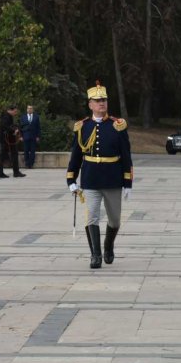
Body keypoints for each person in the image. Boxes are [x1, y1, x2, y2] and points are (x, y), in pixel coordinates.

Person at [67, 82, 134, 269]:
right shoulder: (82, 127)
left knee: (114, 220)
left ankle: (108, 245)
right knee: (91, 217)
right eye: (97, 101)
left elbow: (126, 155)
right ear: (90, 104)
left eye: (103, 100)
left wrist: (128, 182)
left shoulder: (117, 125)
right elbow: (76, 155)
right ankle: (95, 255)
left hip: (112, 179)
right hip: (90, 179)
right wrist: (71, 179)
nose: (101, 103)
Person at [0, 104, 24, 178]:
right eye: (15, 111)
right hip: (5, 139)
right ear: (10, 110)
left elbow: (10, 125)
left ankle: (16, 172)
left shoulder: (9, 116)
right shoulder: (5, 116)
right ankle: (0, 173)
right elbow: (5, 126)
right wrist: (13, 130)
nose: (15, 113)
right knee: (3, 155)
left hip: (10, 138)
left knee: (14, 153)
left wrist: (15, 128)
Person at [20, 104, 41, 169]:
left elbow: (38, 127)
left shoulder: (36, 117)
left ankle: (31, 164)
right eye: (28, 108)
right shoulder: (23, 117)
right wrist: (21, 136)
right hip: (25, 136)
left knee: (32, 151)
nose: (29, 109)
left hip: (33, 136)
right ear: (27, 109)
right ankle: (26, 163)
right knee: (26, 150)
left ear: (33, 109)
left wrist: (38, 136)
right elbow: (20, 127)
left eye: (31, 108)